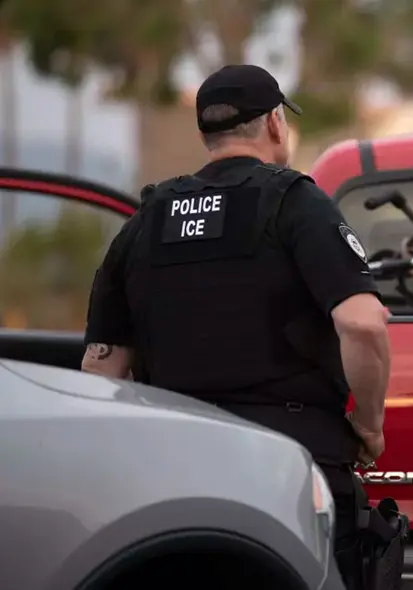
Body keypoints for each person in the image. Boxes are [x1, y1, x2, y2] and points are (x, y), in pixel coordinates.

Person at [80, 64, 392, 588]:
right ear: (274, 123)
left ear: (207, 134)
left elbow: (102, 366)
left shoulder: (146, 220)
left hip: (173, 468)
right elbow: (362, 325)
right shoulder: (294, 202)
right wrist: (369, 424)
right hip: (289, 463)